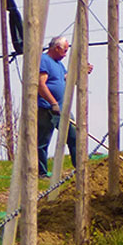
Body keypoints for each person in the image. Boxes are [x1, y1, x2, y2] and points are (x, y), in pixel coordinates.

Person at [37, 35, 80, 177]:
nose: (65, 54)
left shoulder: (59, 64)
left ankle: (79, 168)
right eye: (65, 51)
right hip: (48, 109)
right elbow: (41, 84)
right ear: (56, 48)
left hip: (62, 109)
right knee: (42, 142)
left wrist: (81, 71)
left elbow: (68, 78)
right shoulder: (44, 60)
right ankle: (42, 172)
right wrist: (53, 103)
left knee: (73, 137)